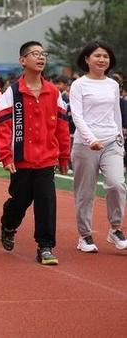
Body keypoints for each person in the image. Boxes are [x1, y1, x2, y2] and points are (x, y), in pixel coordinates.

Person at [0, 41, 70, 265]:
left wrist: (64, 155)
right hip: (21, 161)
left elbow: (62, 127)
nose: (40, 58)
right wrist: (5, 156)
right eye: (35, 54)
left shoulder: (54, 92)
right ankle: (8, 224)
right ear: (23, 61)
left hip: (46, 159)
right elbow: (3, 126)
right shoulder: (12, 93)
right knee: (20, 201)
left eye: (43, 54)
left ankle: (45, 246)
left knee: (46, 201)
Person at [70, 41, 127, 252]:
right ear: (87, 59)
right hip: (86, 145)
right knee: (85, 193)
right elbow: (77, 115)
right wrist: (91, 138)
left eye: (105, 56)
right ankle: (85, 236)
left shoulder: (113, 84)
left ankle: (115, 229)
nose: (102, 59)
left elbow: (115, 113)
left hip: (112, 142)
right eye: (97, 56)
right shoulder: (79, 85)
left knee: (116, 184)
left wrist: (120, 137)